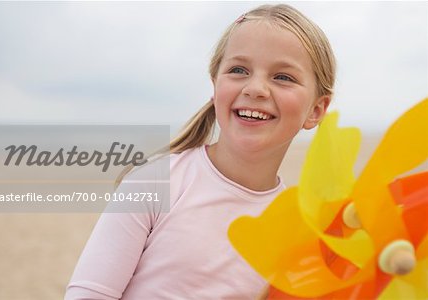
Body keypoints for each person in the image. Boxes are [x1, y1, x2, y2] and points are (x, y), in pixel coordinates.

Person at [65, 3, 335, 299]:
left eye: (283, 77)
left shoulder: (299, 228)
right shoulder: (157, 182)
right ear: (215, 84)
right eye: (238, 70)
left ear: (316, 109)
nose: (256, 88)